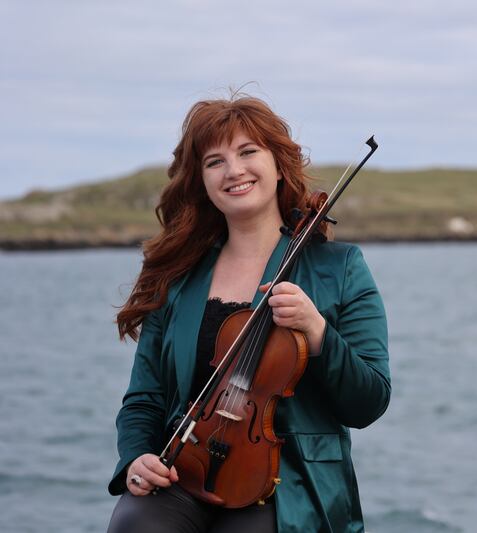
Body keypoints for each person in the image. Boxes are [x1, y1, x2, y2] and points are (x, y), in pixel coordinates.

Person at [106, 95, 390, 533]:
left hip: (289, 482)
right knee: (136, 525)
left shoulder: (341, 268)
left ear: (278, 164)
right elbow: (145, 397)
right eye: (214, 161)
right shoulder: (179, 277)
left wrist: (317, 333)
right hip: (186, 467)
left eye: (248, 152)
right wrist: (136, 458)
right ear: (201, 181)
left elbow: (369, 401)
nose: (234, 170)